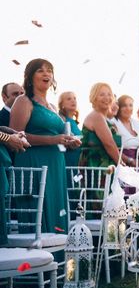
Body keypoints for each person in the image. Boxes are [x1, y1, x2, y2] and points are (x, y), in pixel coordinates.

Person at [10, 59, 80, 234]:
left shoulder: (52, 106)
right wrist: (53, 140)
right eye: (40, 71)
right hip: (34, 162)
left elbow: (57, 136)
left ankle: (58, 259)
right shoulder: (24, 101)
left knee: (56, 207)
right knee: (39, 210)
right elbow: (16, 136)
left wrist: (69, 142)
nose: (46, 74)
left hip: (55, 163)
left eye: (49, 70)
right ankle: (37, 257)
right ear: (30, 76)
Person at [79, 83, 123, 168]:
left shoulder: (104, 118)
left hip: (106, 166)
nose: (106, 98)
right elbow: (109, 144)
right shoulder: (96, 116)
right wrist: (121, 165)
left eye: (109, 94)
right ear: (94, 98)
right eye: (102, 94)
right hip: (97, 167)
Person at [114, 95, 139, 165]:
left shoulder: (136, 123)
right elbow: (112, 148)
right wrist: (130, 161)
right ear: (119, 107)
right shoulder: (114, 123)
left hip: (138, 166)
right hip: (121, 165)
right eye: (124, 106)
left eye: (130, 105)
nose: (128, 108)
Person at [58, 91, 82, 168]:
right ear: (62, 105)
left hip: (77, 162)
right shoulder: (62, 120)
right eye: (69, 99)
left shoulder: (75, 123)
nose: (73, 100)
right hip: (67, 161)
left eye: (74, 98)